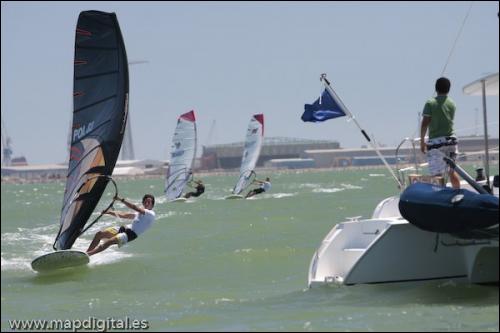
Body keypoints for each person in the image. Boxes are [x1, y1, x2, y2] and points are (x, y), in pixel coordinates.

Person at [420, 77, 460, 189]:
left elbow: (425, 124)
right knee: (451, 172)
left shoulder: (430, 103)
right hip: (451, 141)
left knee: (437, 175)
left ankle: (440, 200)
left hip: (437, 143)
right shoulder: (452, 103)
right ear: (449, 89)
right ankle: (457, 193)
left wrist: (422, 142)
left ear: (436, 88)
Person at [86, 194, 156, 256]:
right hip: (123, 229)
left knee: (109, 242)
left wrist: (121, 200)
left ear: (152, 205)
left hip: (129, 235)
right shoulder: (139, 214)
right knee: (99, 234)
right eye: (145, 202)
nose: (147, 203)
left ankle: (89, 254)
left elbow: (134, 207)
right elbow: (124, 215)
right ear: (143, 203)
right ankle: (86, 253)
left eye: (149, 202)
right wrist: (109, 212)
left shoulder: (150, 214)